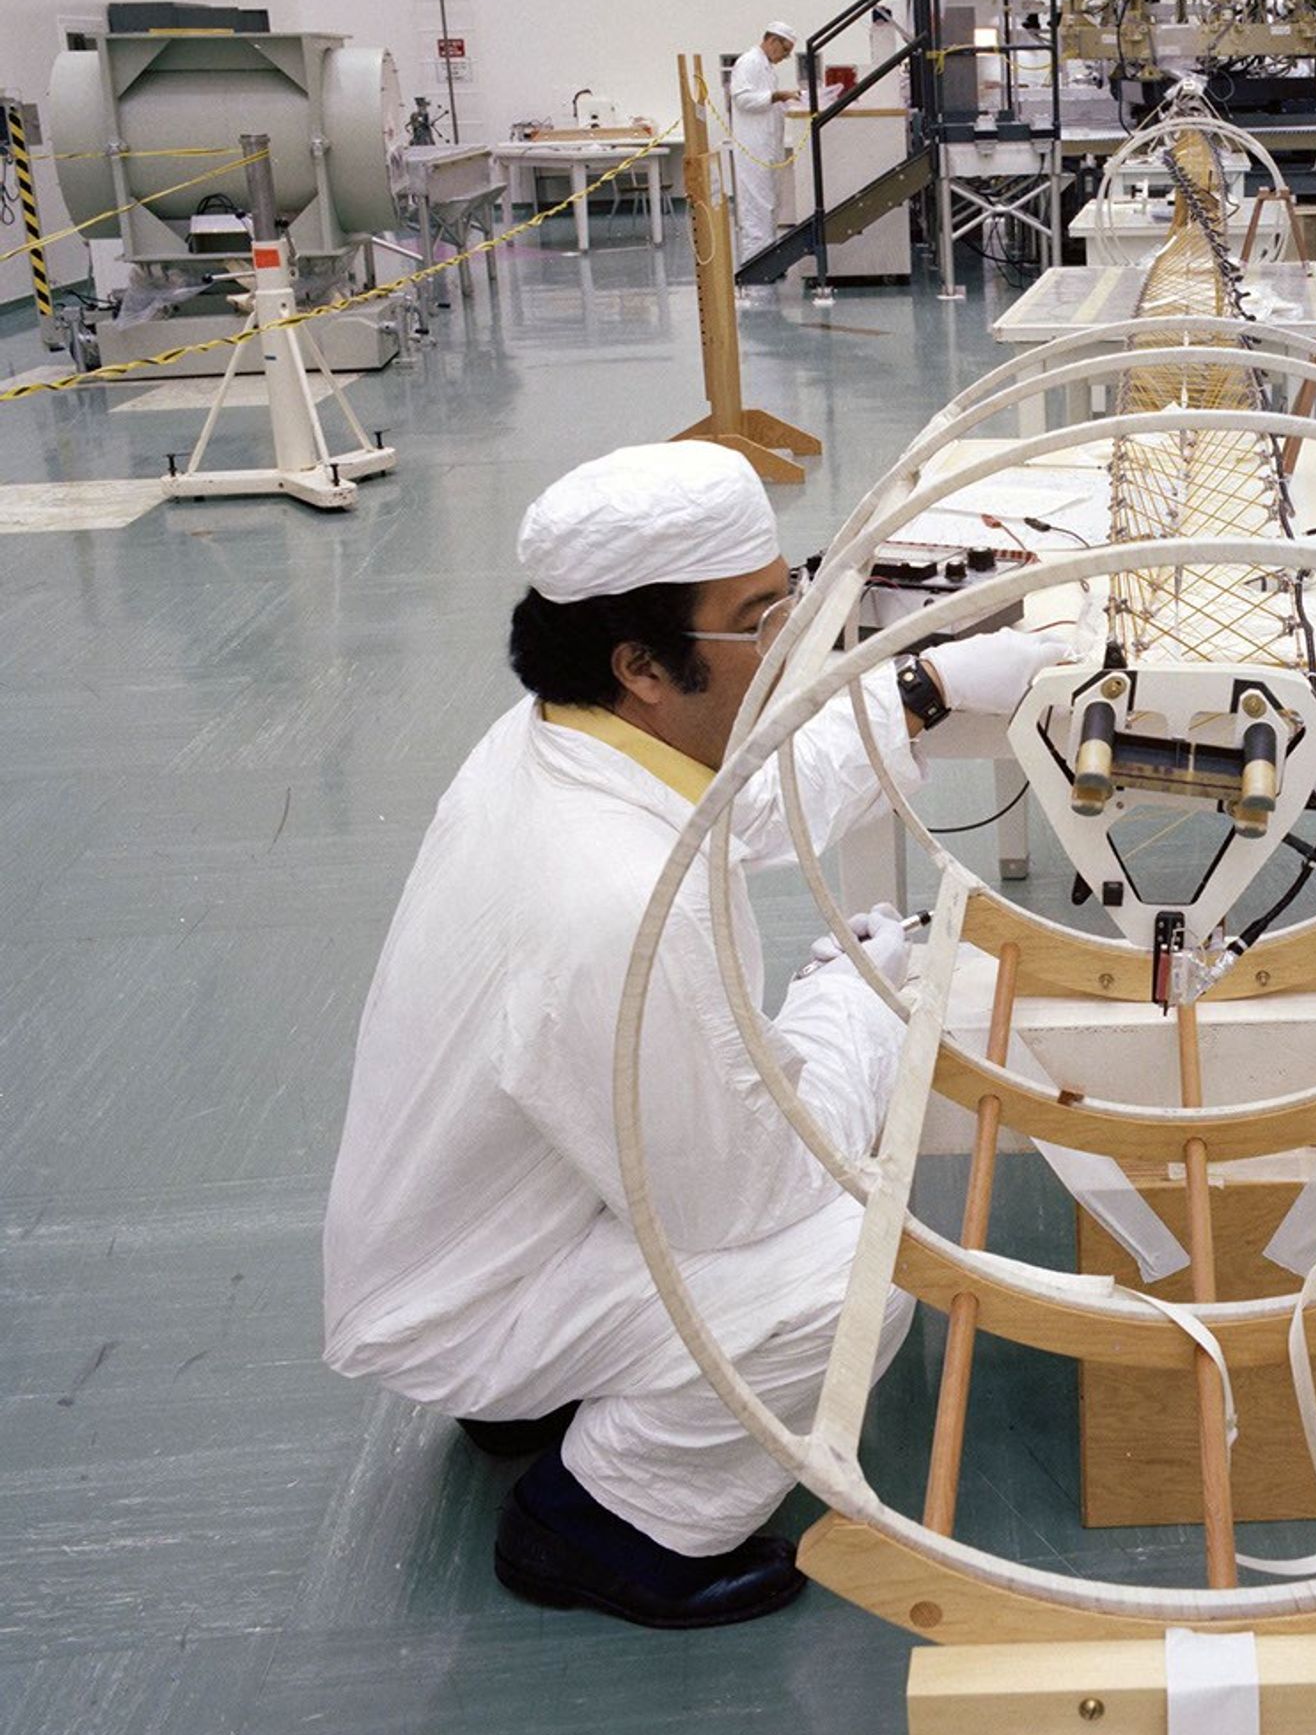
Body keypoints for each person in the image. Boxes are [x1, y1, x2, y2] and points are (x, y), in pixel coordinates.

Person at [322, 440, 1063, 1626]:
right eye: (762, 620)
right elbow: (748, 1198)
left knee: (769, 1113)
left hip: (486, 1221)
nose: (792, 643)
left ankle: (539, 1395)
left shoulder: (561, 741)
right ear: (644, 664)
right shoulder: (611, 896)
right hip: (472, 1292)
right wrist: (869, 1000)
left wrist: (922, 691)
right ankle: (607, 1523)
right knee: (855, 1268)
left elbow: (747, 797)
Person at [728, 21, 799, 258]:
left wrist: (787, 101)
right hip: (753, 147)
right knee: (756, 204)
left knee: (769, 202)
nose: (786, 57)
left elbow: (767, 103)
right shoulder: (749, 62)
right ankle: (755, 261)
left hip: (766, 145)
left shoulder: (765, 67)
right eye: (785, 50)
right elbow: (743, 100)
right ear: (772, 41)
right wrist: (777, 96)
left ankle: (767, 256)